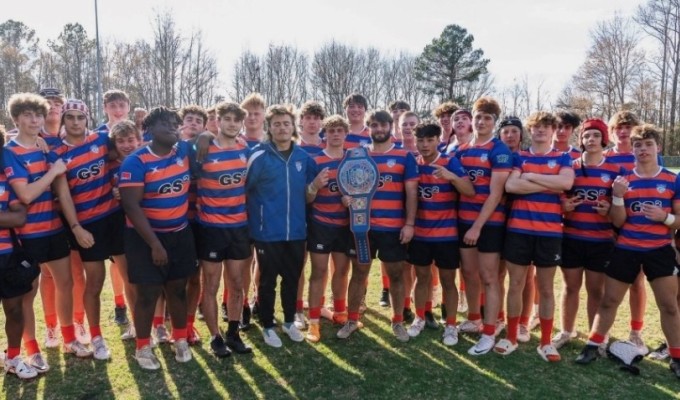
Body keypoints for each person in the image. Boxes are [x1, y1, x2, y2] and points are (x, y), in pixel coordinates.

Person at [575, 124, 680, 379]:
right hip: (626, 248)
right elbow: (619, 222)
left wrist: (664, 217)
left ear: (658, 147)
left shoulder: (672, 179)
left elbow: (678, 220)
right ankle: (592, 345)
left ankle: (677, 357)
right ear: (631, 149)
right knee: (609, 300)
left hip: (659, 249)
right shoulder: (624, 179)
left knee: (668, 306)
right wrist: (618, 197)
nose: (643, 149)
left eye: (648, 144)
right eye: (638, 145)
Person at [4, 94, 93, 373]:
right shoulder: (8, 152)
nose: (34, 120)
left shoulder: (48, 150)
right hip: (26, 235)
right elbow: (26, 195)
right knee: (27, 295)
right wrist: (52, 170)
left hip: (54, 230)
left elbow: (63, 192)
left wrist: (75, 226)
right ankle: (33, 350)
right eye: (27, 115)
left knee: (65, 284)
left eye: (38, 115)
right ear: (16, 119)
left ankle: (69, 339)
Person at [119, 106, 197, 370]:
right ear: (149, 130)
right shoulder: (136, 161)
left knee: (177, 289)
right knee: (147, 294)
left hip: (180, 233)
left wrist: (205, 137)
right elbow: (131, 206)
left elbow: (204, 139)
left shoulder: (184, 151)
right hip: (145, 239)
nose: (173, 127)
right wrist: (154, 244)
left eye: (176, 123)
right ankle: (142, 347)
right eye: (166, 123)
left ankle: (180, 339)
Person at [495, 111, 574, 362]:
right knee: (515, 285)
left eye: (546, 127)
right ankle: (511, 337)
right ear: (530, 131)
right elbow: (510, 186)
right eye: (536, 127)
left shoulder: (563, 157)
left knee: (546, 288)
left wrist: (531, 177)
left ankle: (547, 342)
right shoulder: (519, 156)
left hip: (549, 232)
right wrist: (552, 183)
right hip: (518, 230)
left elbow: (568, 183)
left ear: (553, 131)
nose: (540, 131)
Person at [48, 99, 122, 361]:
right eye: (70, 117)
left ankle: (141, 331)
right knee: (94, 282)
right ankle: (97, 337)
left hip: (114, 217)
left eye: (80, 117)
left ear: (87, 118)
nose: (76, 122)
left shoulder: (102, 140)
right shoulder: (58, 153)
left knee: (131, 276)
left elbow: (125, 151)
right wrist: (76, 227)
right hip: (87, 225)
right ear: (64, 121)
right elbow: (64, 195)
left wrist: (119, 185)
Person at [336, 110, 418, 342]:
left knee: (396, 274)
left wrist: (409, 224)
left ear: (391, 126)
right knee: (359, 272)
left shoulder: (404, 156)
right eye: (374, 125)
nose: (379, 130)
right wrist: (345, 199)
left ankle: (398, 321)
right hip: (363, 227)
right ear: (369, 128)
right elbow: (346, 185)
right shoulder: (356, 156)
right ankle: (352, 319)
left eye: (383, 125)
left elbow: (412, 193)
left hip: (393, 227)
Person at [246, 104, 323, 348]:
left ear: (293, 127)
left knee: (292, 278)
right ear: (269, 127)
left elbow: (310, 195)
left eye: (286, 123)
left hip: (297, 232)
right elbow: (244, 191)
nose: (282, 128)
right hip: (267, 232)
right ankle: (268, 325)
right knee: (267, 280)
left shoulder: (303, 158)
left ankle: (289, 322)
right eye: (277, 124)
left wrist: (316, 186)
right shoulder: (259, 155)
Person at [406, 122, 474, 346]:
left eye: (429, 140)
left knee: (447, 280)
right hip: (421, 234)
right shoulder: (412, 162)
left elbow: (470, 191)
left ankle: (451, 325)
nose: (425, 145)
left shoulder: (449, 161)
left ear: (438, 140)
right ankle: (419, 318)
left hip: (446, 234)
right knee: (422, 277)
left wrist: (451, 177)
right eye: (421, 140)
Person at [554, 118, 619, 349]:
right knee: (570, 287)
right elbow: (559, 193)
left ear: (604, 139)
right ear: (580, 140)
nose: (591, 140)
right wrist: (564, 204)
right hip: (572, 236)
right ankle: (566, 331)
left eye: (596, 136)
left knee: (595, 290)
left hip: (601, 240)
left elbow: (620, 202)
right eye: (586, 136)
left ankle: (595, 338)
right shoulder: (570, 166)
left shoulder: (614, 169)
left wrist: (610, 209)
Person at [454, 97, 512, 355]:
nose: (481, 121)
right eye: (478, 117)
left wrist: (478, 226)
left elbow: (495, 194)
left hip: (488, 224)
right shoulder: (461, 149)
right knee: (469, 273)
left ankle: (489, 332)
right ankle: (475, 318)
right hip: (463, 221)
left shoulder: (499, 150)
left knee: (489, 278)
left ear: (494, 122)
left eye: (487, 118)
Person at [194, 101, 252, 356]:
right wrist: (203, 135)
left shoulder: (245, 148)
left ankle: (233, 333)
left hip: (239, 226)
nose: (231, 124)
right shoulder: (203, 148)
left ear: (241, 124)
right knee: (211, 285)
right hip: (210, 228)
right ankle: (215, 337)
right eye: (226, 119)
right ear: (217, 121)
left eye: (236, 120)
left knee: (237, 284)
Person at [604, 110, 652, 352]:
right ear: (611, 132)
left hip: (637, 231)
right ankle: (602, 331)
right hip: (604, 229)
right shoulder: (602, 158)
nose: (622, 132)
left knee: (636, 281)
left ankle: (636, 331)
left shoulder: (645, 158)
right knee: (605, 282)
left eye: (628, 128)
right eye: (618, 128)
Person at [305, 115, 351, 343]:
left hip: (345, 226)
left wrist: (351, 200)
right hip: (320, 224)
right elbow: (306, 197)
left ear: (345, 134)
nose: (335, 134)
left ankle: (340, 313)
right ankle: (313, 322)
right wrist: (314, 186)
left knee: (342, 271)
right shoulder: (315, 160)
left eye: (339, 130)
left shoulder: (352, 160)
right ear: (325, 134)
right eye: (331, 130)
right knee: (319, 272)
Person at [0, 124, 36, 380]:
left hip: (7, 255)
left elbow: (20, 217)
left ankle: (13, 357)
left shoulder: (7, 179)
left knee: (14, 309)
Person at [497, 116, 534, 343]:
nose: (509, 135)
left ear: (521, 135)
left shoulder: (527, 157)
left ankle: (523, 322)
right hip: (499, 220)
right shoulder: (497, 156)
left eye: (514, 131)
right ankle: (500, 316)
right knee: (498, 273)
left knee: (525, 277)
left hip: (523, 221)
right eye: (506, 132)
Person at [109, 120, 141, 341]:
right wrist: (113, 193)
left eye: (131, 140)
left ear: (139, 139)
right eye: (121, 141)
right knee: (128, 277)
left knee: (150, 278)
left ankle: (157, 322)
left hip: (147, 225)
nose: (127, 145)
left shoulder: (147, 160)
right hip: (118, 226)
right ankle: (136, 323)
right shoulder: (108, 165)